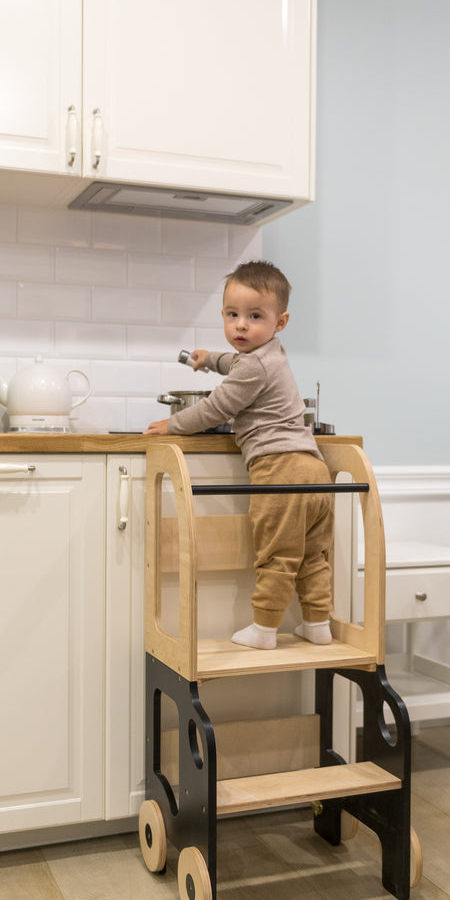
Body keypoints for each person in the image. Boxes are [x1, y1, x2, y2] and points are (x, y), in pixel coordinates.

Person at [144, 260, 333, 650]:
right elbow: (232, 362)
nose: (241, 325)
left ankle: (264, 630)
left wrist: (173, 425)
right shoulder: (270, 355)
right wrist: (207, 358)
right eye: (233, 315)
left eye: (254, 316)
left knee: (276, 556)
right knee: (313, 556)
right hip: (315, 470)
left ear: (280, 322)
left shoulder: (254, 368)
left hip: (279, 468)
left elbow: (217, 407)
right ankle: (318, 625)